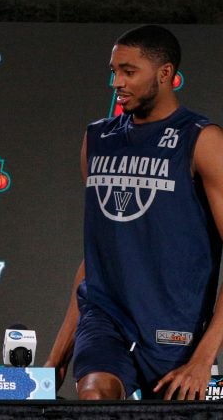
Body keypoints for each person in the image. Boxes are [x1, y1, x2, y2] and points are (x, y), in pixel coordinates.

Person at [46, 25, 223, 400]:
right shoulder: (97, 139)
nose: (116, 82)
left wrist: (204, 358)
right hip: (106, 316)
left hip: (175, 325)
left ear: (164, 73)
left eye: (128, 71)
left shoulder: (202, 140)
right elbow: (98, 255)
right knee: (94, 394)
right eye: (113, 71)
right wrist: (57, 356)